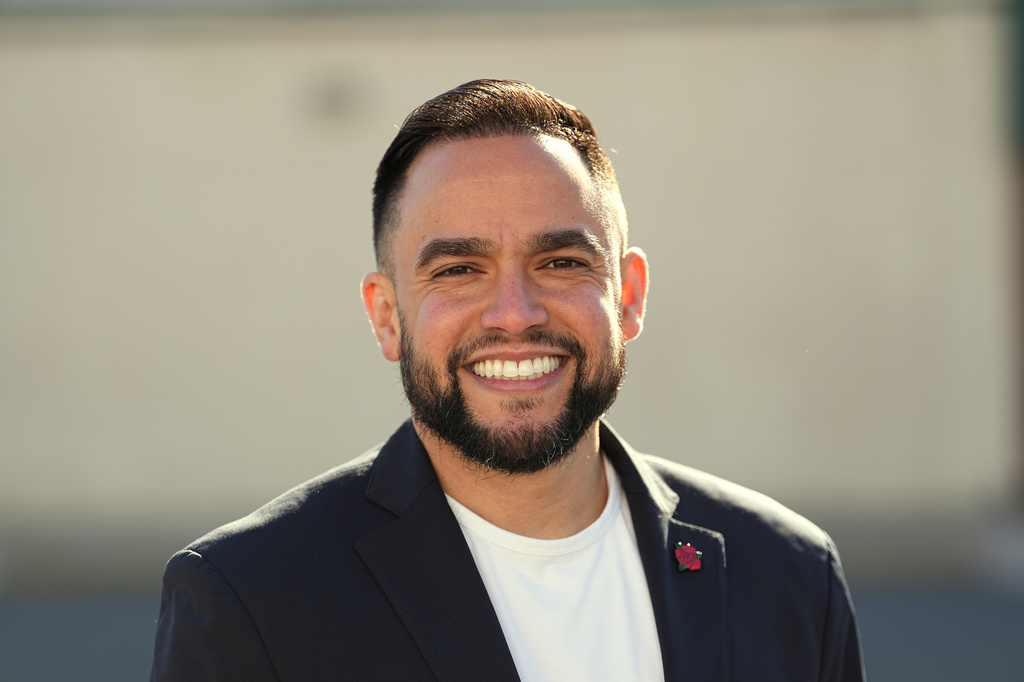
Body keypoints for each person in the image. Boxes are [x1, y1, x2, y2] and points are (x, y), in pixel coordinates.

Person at [150, 79, 865, 681]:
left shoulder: (789, 577)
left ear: (629, 295)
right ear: (387, 315)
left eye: (561, 263)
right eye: (459, 270)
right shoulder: (250, 599)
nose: (515, 316)